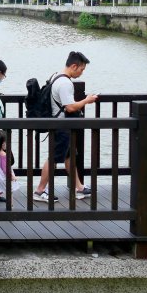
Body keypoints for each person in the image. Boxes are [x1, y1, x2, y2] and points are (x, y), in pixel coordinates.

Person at [33, 51, 97, 202]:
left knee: (69, 156)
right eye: (81, 69)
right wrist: (87, 100)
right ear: (74, 66)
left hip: (60, 124)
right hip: (61, 126)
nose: (81, 73)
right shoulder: (65, 83)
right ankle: (39, 191)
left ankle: (79, 188)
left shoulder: (57, 77)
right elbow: (70, 108)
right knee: (53, 159)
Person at [0, 129, 17, 203]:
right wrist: (11, 176)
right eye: (5, 143)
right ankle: (10, 204)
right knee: (8, 190)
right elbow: (5, 168)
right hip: (3, 177)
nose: (6, 144)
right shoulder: (3, 155)